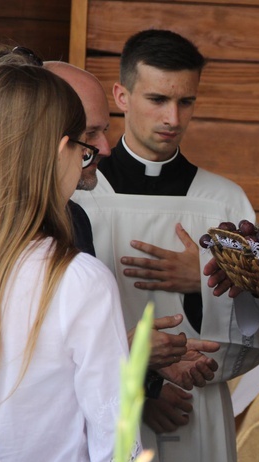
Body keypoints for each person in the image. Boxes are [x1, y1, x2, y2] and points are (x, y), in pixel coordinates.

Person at [71, 29, 259, 462]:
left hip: (194, 407)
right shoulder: (79, 195)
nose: (173, 117)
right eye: (158, 99)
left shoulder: (224, 202)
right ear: (122, 95)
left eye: (186, 101)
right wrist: (144, 388)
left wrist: (202, 284)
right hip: (103, 409)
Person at [0, 60, 134, 462]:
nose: (88, 160)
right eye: (84, 150)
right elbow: (118, 456)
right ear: (61, 150)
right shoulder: (79, 281)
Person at [45, 60, 217, 392]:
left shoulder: (73, 218)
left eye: (186, 101)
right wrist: (130, 356)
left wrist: (147, 375)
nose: (105, 148)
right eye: (91, 134)